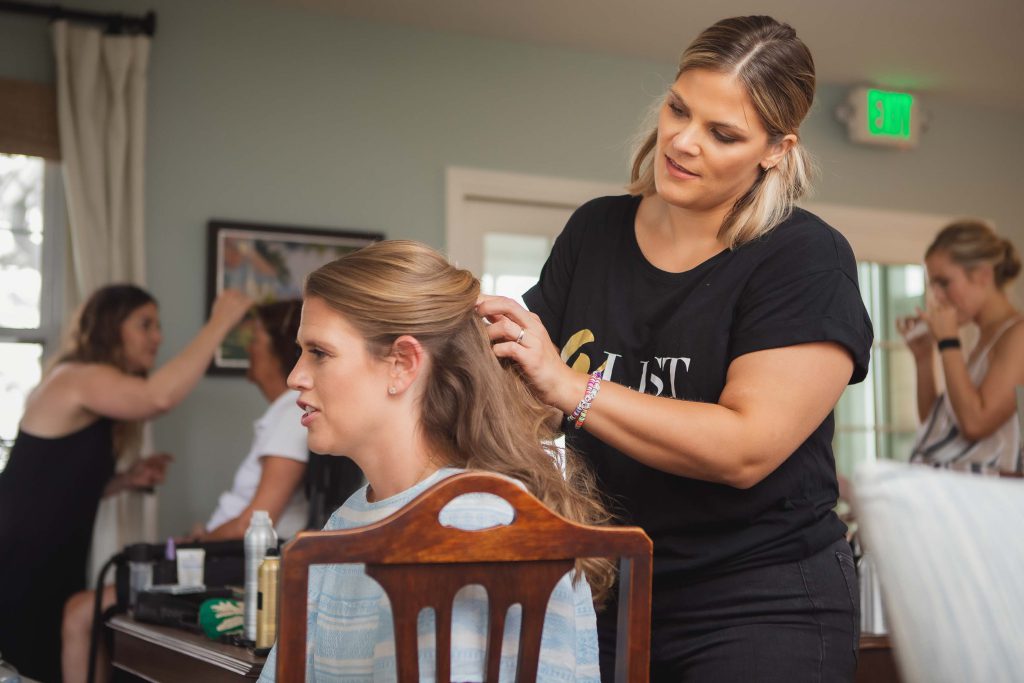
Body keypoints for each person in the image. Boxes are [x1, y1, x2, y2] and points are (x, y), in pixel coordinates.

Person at [476, 15, 873, 682]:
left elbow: (745, 447)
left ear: (776, 149)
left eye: (723, 134)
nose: (683, 142)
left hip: (762, 597)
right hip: (610, 585)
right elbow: (523, 394)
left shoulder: (805, 258)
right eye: (678, 109)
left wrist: (573, 387)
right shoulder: (595, 231)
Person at [258, 240, 611, 682]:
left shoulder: (479, 527)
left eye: (320, 353)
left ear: (402, 364)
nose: (295, 377)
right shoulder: (347, 522)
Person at [0, 283, 251, 683]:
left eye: (158, 325)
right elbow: (158, 397)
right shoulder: (77, 376)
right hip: (21, 554)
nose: (158, 336)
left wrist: (125, 481)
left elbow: (52, 486)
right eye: (145, 324)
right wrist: (219, 323)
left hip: (53, 553)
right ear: (111, 326)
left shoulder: (88, 383)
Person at [60, 299, 309, 683]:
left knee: (80, 611)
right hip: (222, 550)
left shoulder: (293, 413)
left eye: (255, 338)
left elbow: (255, 521)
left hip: (237, 559)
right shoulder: (283, 414)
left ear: (280, 349)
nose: (248, 348)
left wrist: (202, 542)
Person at [898, 220, 1023, 473]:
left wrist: (948, 342)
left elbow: (975, 423)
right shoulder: (983, 341)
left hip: (993, 503)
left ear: (983, 275)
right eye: (932, 285)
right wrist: (923, 358)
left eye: (943, 283)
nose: (937, 297)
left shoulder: (1018, 335)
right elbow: (940, 430)